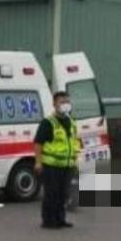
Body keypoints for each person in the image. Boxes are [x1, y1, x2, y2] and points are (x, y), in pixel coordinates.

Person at [34, 91, 81, 229]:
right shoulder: (48, 122)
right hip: (51, 165)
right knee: (51, 193)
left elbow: (73, 142)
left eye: (67, 102)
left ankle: (61, 219)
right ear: (54, 104)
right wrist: (38, 162)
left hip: (67, 165)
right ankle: (48, 220)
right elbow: (38, 143)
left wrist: (75, 159)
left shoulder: (71, 121)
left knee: (63, 193)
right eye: (62, 102)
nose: (65, 105)